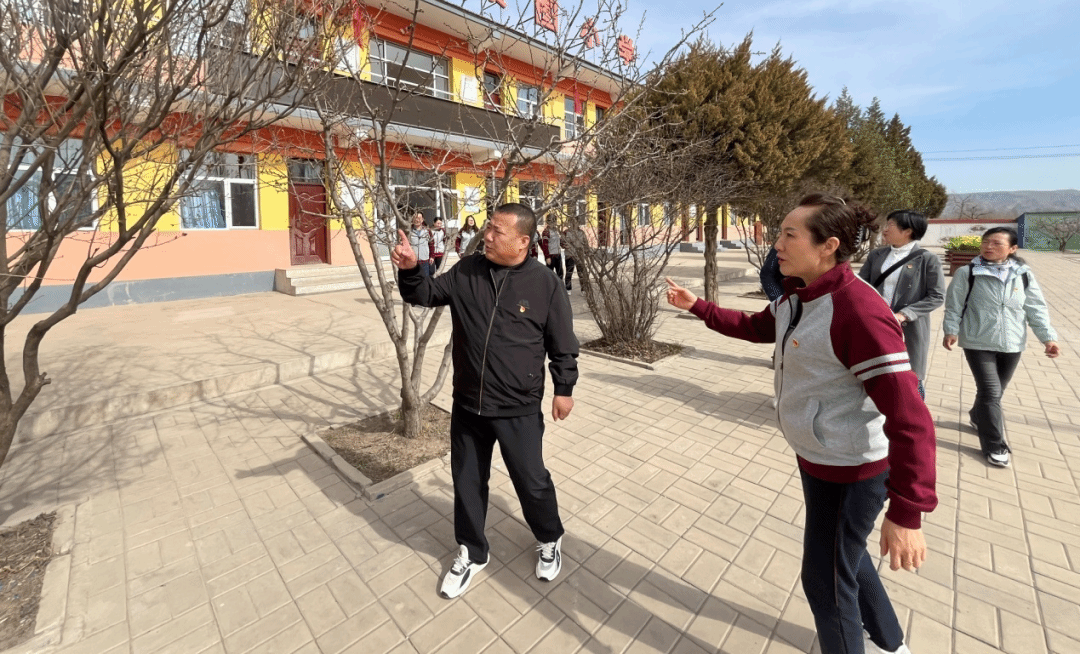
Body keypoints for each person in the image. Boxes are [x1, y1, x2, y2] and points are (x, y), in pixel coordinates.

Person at [666, 194, 936, 654]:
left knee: (824, 583)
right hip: (819, 458)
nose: (777, 245)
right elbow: (756, 327)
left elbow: (910, 419)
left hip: (854, 470)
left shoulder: (857, 311)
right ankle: (891, 644)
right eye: (779, 233)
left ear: (828, 245)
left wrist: (908, 512)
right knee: (845, 558)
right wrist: (698, 307)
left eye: (789, 235)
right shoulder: (800, 294)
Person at [390, 202, 579, 599]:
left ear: (523, 242)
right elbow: (425, 293)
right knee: (468, 482)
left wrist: (564, 389)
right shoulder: (467, 271)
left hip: (517, 407)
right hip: (468, 404)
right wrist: (410, 269)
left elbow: (562, 344)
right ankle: (472, 551)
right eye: (487, 228)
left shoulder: (545, 284)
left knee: (531, 480)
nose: (487, 237)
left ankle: (549, 536)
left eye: (497, 232)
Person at [941, 226, 1060, 468]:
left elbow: (1036, 308)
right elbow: (954, 305)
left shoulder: (1023, 274)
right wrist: (951, 330)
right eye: (986, 242)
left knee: (996, 391)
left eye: (997, 243)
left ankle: (977, 416)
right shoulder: (968, 272)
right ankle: (995, 446)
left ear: (1012, 249)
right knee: (991, 392)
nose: (989, 247)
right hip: (977, 340)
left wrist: (1048, 338)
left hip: (1013, 342)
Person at [859, 210, 945, 399]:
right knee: (874, 371)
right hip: (876, 324)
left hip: (909, 328)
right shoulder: (877, 255)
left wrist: (904, 314)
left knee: (910, 377)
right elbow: (861, 286)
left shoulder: (927, 259)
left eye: (890, 225)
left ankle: (914, 412)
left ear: (908, 231)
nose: (885, 229)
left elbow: (937, 296)